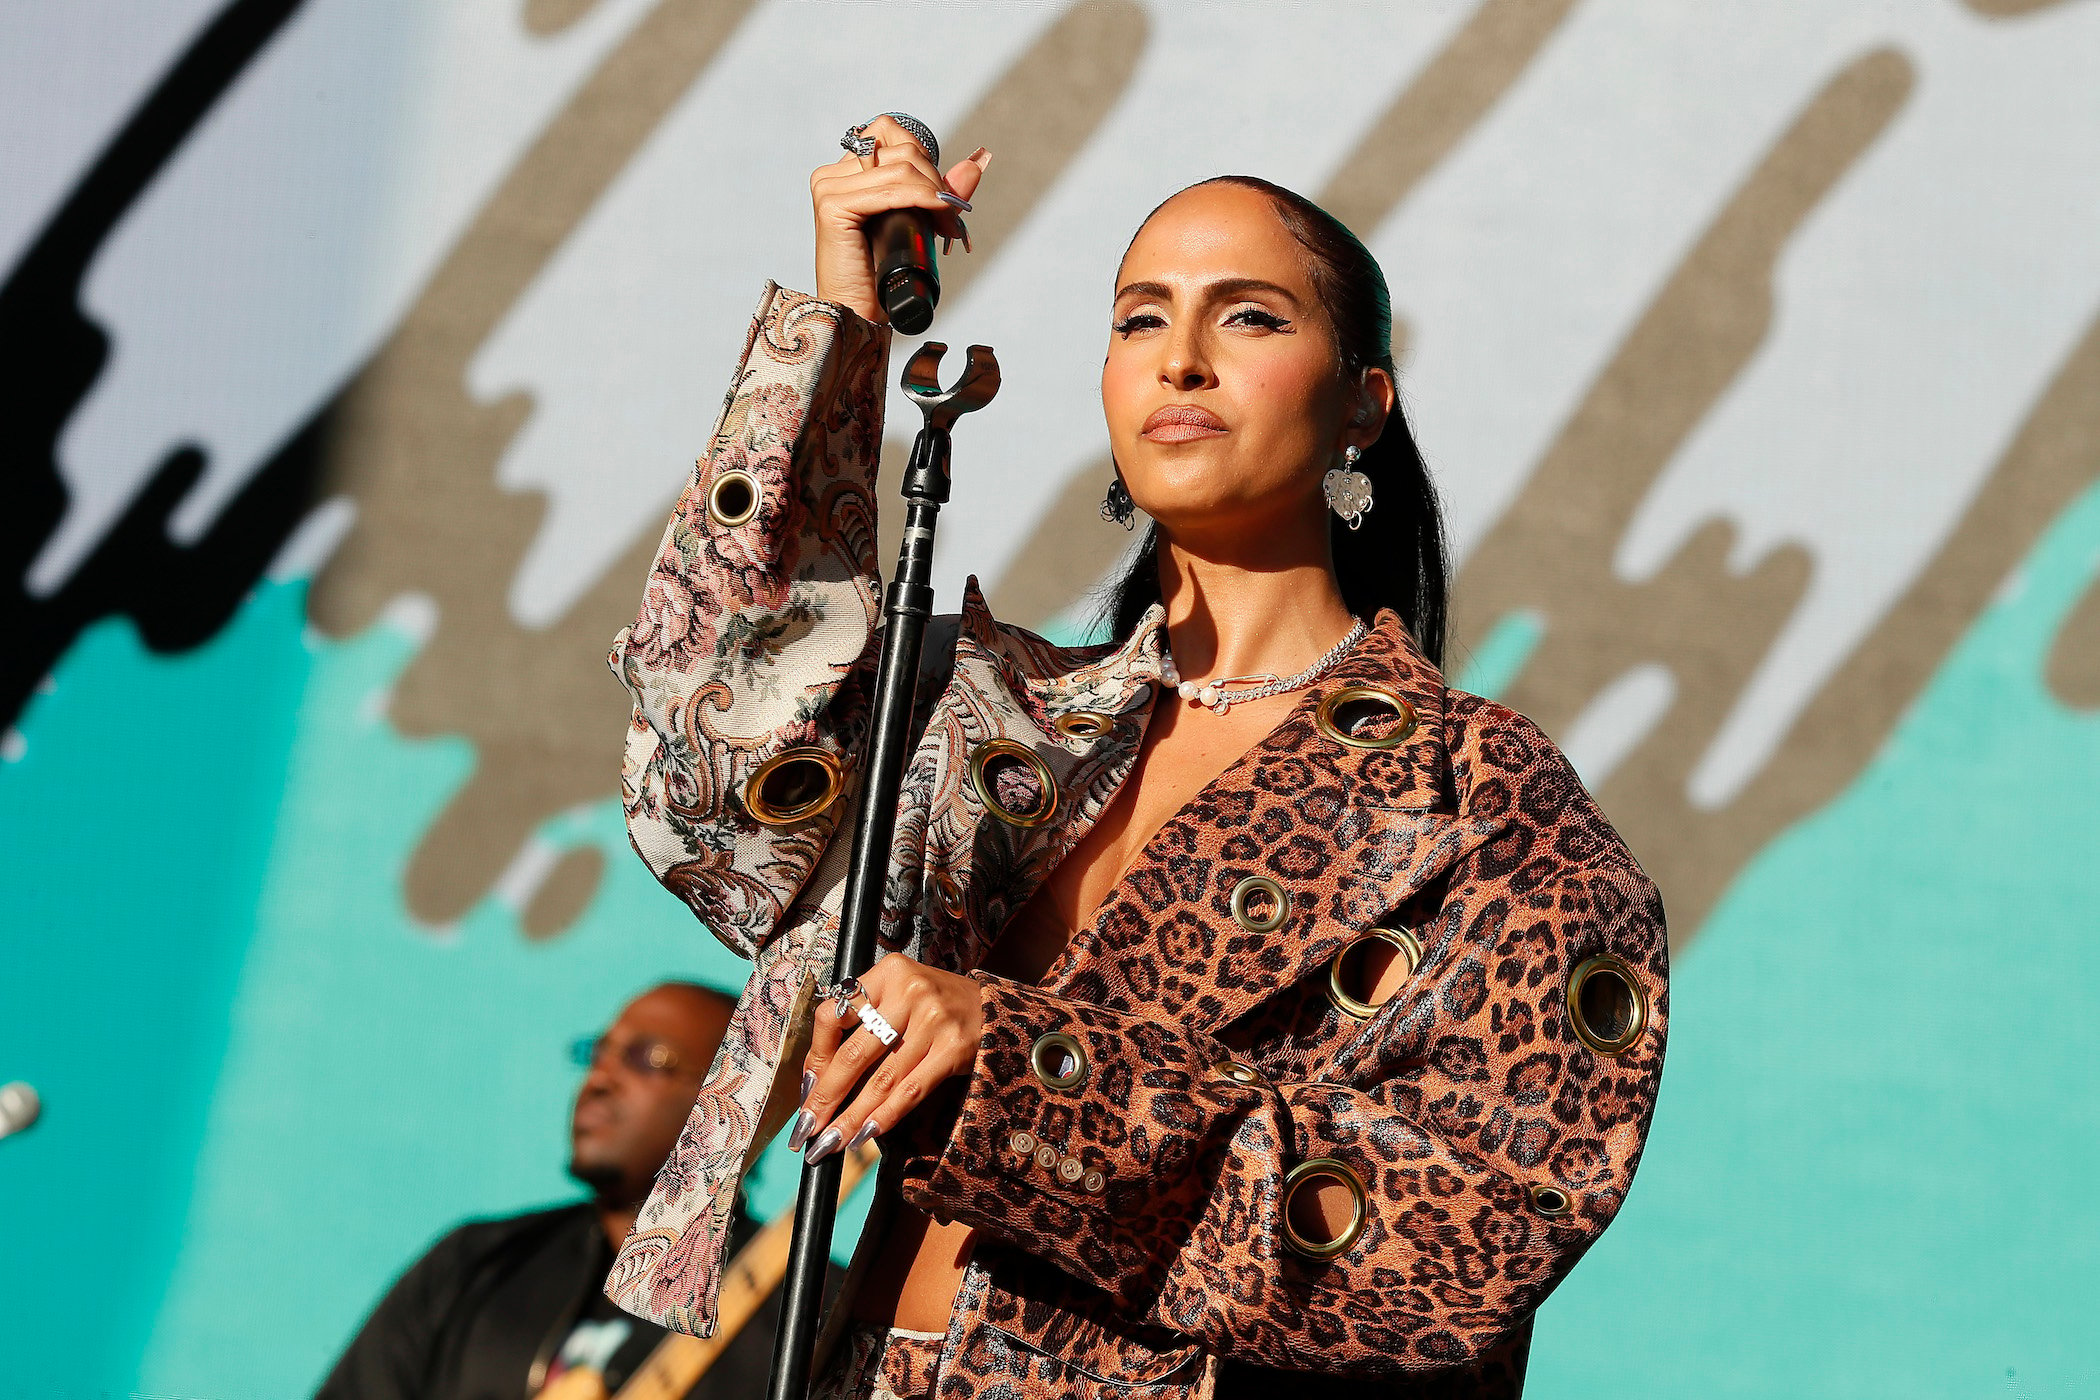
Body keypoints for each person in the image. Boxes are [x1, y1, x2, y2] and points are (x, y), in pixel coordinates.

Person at [603, 116, 1669, 1399]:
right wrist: (841, 330)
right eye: (1140, 318)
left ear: (1364, 403)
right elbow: (706, 784)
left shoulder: (1476, 796)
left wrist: (1026, 1063)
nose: (1183, 359)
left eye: (1252, 318)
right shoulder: (990, 711)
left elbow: (1468, 1231)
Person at [317, 982, 793, 1399]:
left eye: (644, 1059)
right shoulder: (479, 1262)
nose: (599, 1079)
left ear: (735, 1098)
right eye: (599, 1054)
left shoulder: (803, 1312)